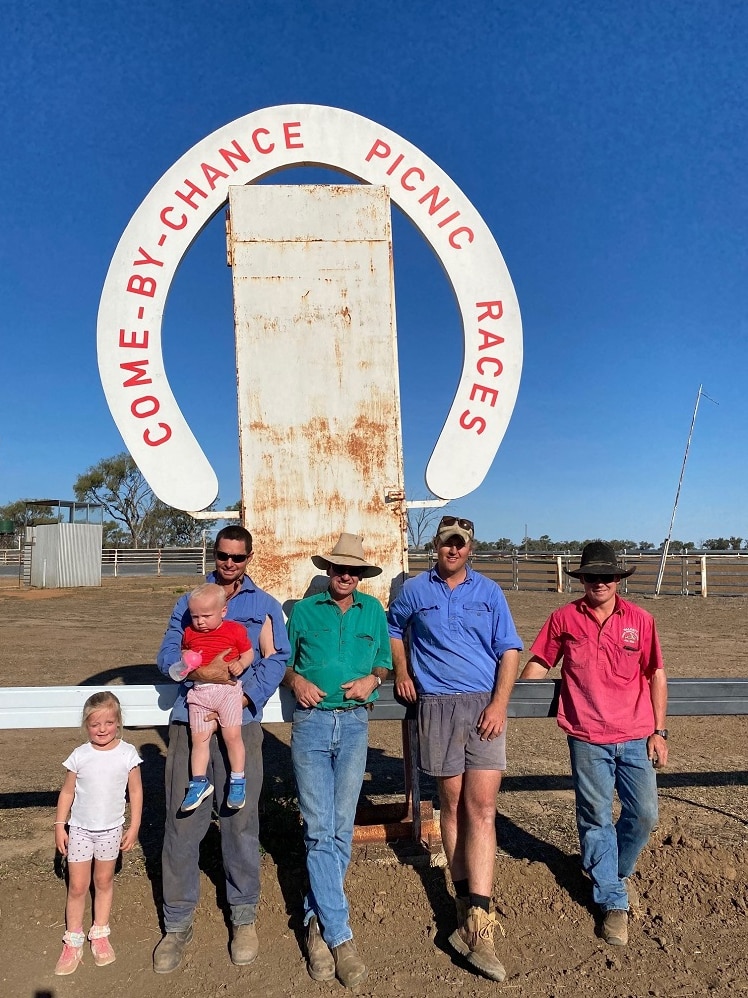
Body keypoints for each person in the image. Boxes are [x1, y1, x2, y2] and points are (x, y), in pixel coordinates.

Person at [387, 514, 522, 983]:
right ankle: (462, 897)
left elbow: (508, 650)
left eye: (461, 544)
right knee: (451, 804)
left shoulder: (489, 593)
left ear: (470, 549)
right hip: (437, 706)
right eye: (447, 543)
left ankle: (479, 922)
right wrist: (403, 672)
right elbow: (392, 630)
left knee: (482, 807)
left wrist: (500, 704)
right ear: (436, 546)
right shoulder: (415, 592)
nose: (453, 550)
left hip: (483, 707)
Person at [153, 524, 290, 973]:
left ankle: (244, 915)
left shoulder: (264, 605)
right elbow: (168, 653)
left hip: (241, 721)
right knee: (182, 819)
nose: (229, 563)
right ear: (214, 554)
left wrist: (245, 695)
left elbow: (276, 656)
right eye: (223, 555)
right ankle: (177, 923)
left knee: (241, 820)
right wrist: (195, 673)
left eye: (238, 557)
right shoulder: (189, 601)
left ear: (249, 558)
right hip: (189, 720)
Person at [520, 540, 669, 947]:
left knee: (645, 815)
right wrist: (511, 696)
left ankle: (613, 875)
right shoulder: (564, 618)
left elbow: (656, 673)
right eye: (591, 576)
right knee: (596, 818)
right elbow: (539, 660)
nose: (599, 582)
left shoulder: (641, 620)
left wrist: (659, 730)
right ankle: (613, 902)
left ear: (617, 580)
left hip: (636, 735)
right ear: (581, 578)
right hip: (586, 737)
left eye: (606, 576)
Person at [282, 533, 391, 989]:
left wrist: (372, 680)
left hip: (353, 725)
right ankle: (339, 936)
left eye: (355, 570)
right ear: (329, 571)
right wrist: (294, 682)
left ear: (361, 576)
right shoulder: (304, 613)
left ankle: (314, 922)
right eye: (339, 568)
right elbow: (283, 662)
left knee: (340, 825)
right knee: (319, 824)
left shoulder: (374, 613)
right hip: (310, 724)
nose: (346, 575)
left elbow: (384, 662)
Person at [53, 691, 143, 975]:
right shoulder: (80, 755)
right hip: (80, 830)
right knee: (78, 886)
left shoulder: (127, 754)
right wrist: (59, 825)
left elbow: (136, 792)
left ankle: (100, 933)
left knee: (103, 881)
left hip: (111, 831)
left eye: (108, 722)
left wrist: (134, 826)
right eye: (95, 724)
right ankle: (74, 939)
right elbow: (67, 792)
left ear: (118, 722)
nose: (102, 729)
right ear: (86, 725)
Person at [180, 583, 254, 812]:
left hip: (227, 691)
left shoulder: (234, 630)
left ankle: (238, 780)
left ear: (223, 611)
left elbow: (248, 652)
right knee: (199, 739)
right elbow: (184, 652)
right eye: (194, 616)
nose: (199, 621)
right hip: (200, 691)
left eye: (206, 616)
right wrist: (187, 658)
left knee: (232, 735)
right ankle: (199, 782)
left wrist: (241, 663)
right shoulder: (189, 633)